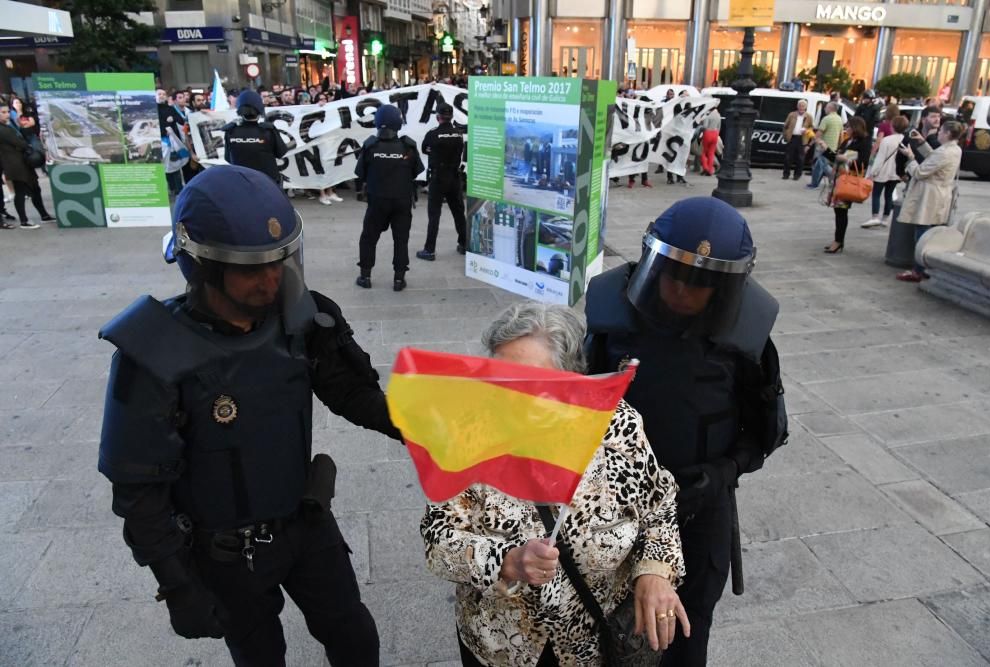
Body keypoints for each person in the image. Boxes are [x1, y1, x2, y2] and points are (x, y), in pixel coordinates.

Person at [97, 165, 400, 667]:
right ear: (204, 266)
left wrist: (417, 426)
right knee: (260, 657)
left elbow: (350, 391)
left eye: (280, 260)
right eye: (252, 267)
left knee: (356, 639)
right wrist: (177, 585)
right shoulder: (153, 354)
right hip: (225, 555)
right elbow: (138, 491)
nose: (272, 278)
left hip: (304, 521)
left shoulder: (303, 318)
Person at [422, 302, 688, 667]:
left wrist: (655, 572)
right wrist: (508, 562)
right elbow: (438, 541)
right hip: (502, 647)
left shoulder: (615, 426)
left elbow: (660, 506)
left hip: (593, 646)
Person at [585, 197, 787, 667]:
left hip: (697, 509)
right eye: (672, 273)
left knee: (684, 638)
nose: (679, 290)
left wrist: (722, 473)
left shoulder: (747, 341)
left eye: (699, 284)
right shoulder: (611, 316)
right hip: (614, 505)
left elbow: (765, 433)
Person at [354, 105, 424, 291]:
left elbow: (360, 173)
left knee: (369, 237)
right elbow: (417, 171)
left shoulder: (370, 146)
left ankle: (365, 276)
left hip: (377, 201)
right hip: (402, 201)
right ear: (398, 123)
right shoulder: (408, 146)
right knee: (401, 240)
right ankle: (399, 279)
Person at [894, 120, 964, 282]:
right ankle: (925, 267)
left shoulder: (945, 152)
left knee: (922, 232)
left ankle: (918, 269)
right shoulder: (955, 149)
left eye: (941, 131)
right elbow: (935, 158)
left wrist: (910, 158)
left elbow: (919, 172)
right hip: (940, 194)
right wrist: (922, 142)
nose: (938, 133)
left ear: (947, 134)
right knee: (931, 231)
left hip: (930, 195)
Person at [417, 103, 467, 261]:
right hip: (454, 177)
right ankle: (464, 244)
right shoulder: (458, 134)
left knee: (434, 214)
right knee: (458, 212)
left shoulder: (433, 134)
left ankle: (429, 250)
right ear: (451, 117)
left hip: (438, 177)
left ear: (438, 117)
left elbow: (424, 149)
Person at [0, 102, 53, 229]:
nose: (7, 114)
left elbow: (22, 137)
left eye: (7, 111)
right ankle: (24, 221)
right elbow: (20, 142)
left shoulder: (9, 125)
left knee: (35, 189)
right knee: (20, 192)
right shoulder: (3, 129)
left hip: (23, 162)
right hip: (15, 164)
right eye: (3, 112)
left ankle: (44, 215)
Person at [825, 116, 871, 254]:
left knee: (841, 211)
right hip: (839, 178)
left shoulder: (863, 142)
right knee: (838, 211)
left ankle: (838, 241)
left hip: (849, 180)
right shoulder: (847, 141)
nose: (846, 129)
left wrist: (847, 159)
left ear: (855, 128)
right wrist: (826, 150)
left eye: (849, 127)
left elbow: (863, 162)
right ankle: (838, 240)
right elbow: (836, 157)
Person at [222, 90, 287, 186]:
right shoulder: (268, 130)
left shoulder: (231, 131)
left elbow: (228, 158)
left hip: (241, 183)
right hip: (267, 183)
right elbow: (281, 152)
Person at [862, 114, 908, 229]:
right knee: (889, 194)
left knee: (877, 193)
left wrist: (873, 172)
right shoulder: (905, 139)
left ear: (893, 126)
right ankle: (885, 219)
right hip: (896, 172)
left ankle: (875, 216)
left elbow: (880, 158)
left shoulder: (887, 140)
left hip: (883, 170)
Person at [807, 101, 844, 189]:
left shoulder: (826, 119)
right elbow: (840, 135)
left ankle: (837, 179)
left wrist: (810, 144)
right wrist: (840, 146)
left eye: (826, 107)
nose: (824, 109)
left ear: (830, 109)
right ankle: (815, 183)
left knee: (823, 166)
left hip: (823, 146)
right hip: (833, 147)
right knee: (819, 165)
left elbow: (819, 133)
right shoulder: (839, 119)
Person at [782, 99, 813, 180]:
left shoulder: (808, 116)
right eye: (799, 105)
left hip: (802, 139)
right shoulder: (791, 114)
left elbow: (811, 127)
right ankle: (786, 174)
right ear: (797, 106)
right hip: (792, 138)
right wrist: (785, 136)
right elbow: (785, 126)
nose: (801, 107)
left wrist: (807, 131)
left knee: (800, 158)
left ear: (806, 107)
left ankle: (797, 175)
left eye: (803, 106)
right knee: (788, 157)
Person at [700, 107, 722, 176]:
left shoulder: (708, 115)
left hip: (707, 133)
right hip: (715, 134)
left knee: (703, 152)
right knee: (711, 153)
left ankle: (705, 168)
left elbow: (705, 126)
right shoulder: (718, 115)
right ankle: (710, 170)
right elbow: (719, 127)